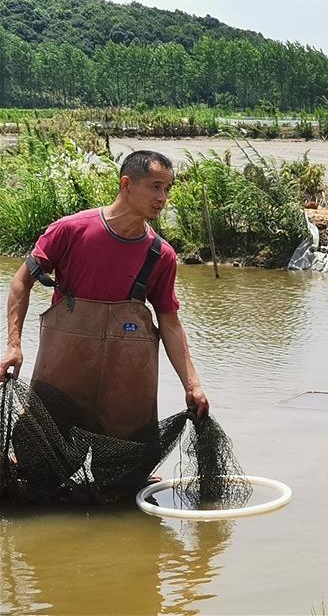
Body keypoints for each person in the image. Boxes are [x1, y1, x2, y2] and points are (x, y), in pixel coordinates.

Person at [1, 150, 208, 486]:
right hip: (63, 379)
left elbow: (169, 321)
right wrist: (13, 345)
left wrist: (193, 385)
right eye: (156, 187)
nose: (163, 198)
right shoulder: (70, 231)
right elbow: (21, 280)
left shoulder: (162, 255)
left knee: (122, 485)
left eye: (168, 189)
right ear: (126, 184)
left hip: (126, 385)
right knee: (36, 473)